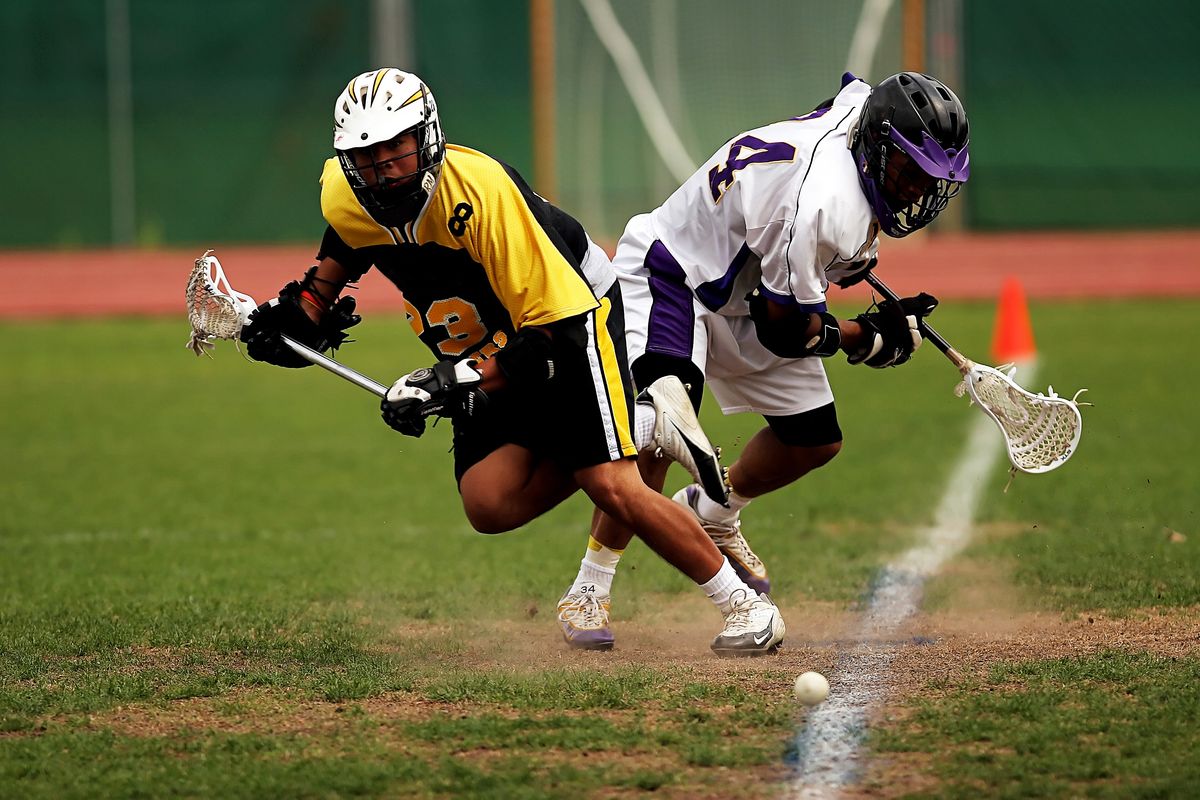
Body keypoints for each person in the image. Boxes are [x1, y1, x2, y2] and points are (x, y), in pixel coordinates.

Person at [237, 67, 785, 656]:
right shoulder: (346, 199)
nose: (384, 166)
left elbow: (552, 332)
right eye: (366, 156)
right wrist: (296, 313)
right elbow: (337, 259)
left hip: (572, 318)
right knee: (489, 502)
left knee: (609, 482)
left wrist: (447, 381)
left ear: (426, 136)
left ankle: (746, 608)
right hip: (483, 343)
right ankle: (641, 423)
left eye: (395, 146)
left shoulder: (481, 196)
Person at [555, 71, 969, 648]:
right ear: (876, 148)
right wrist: (868, 339)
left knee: (814, 438)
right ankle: (589, 589)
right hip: (676, 276)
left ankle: (715, 510)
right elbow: (786, 332)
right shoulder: (822, 206)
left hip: (745, 291)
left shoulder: (860, 115)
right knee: (654, 438)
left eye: (929, 181)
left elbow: (848, 92)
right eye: (908, 173)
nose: (916, 194)